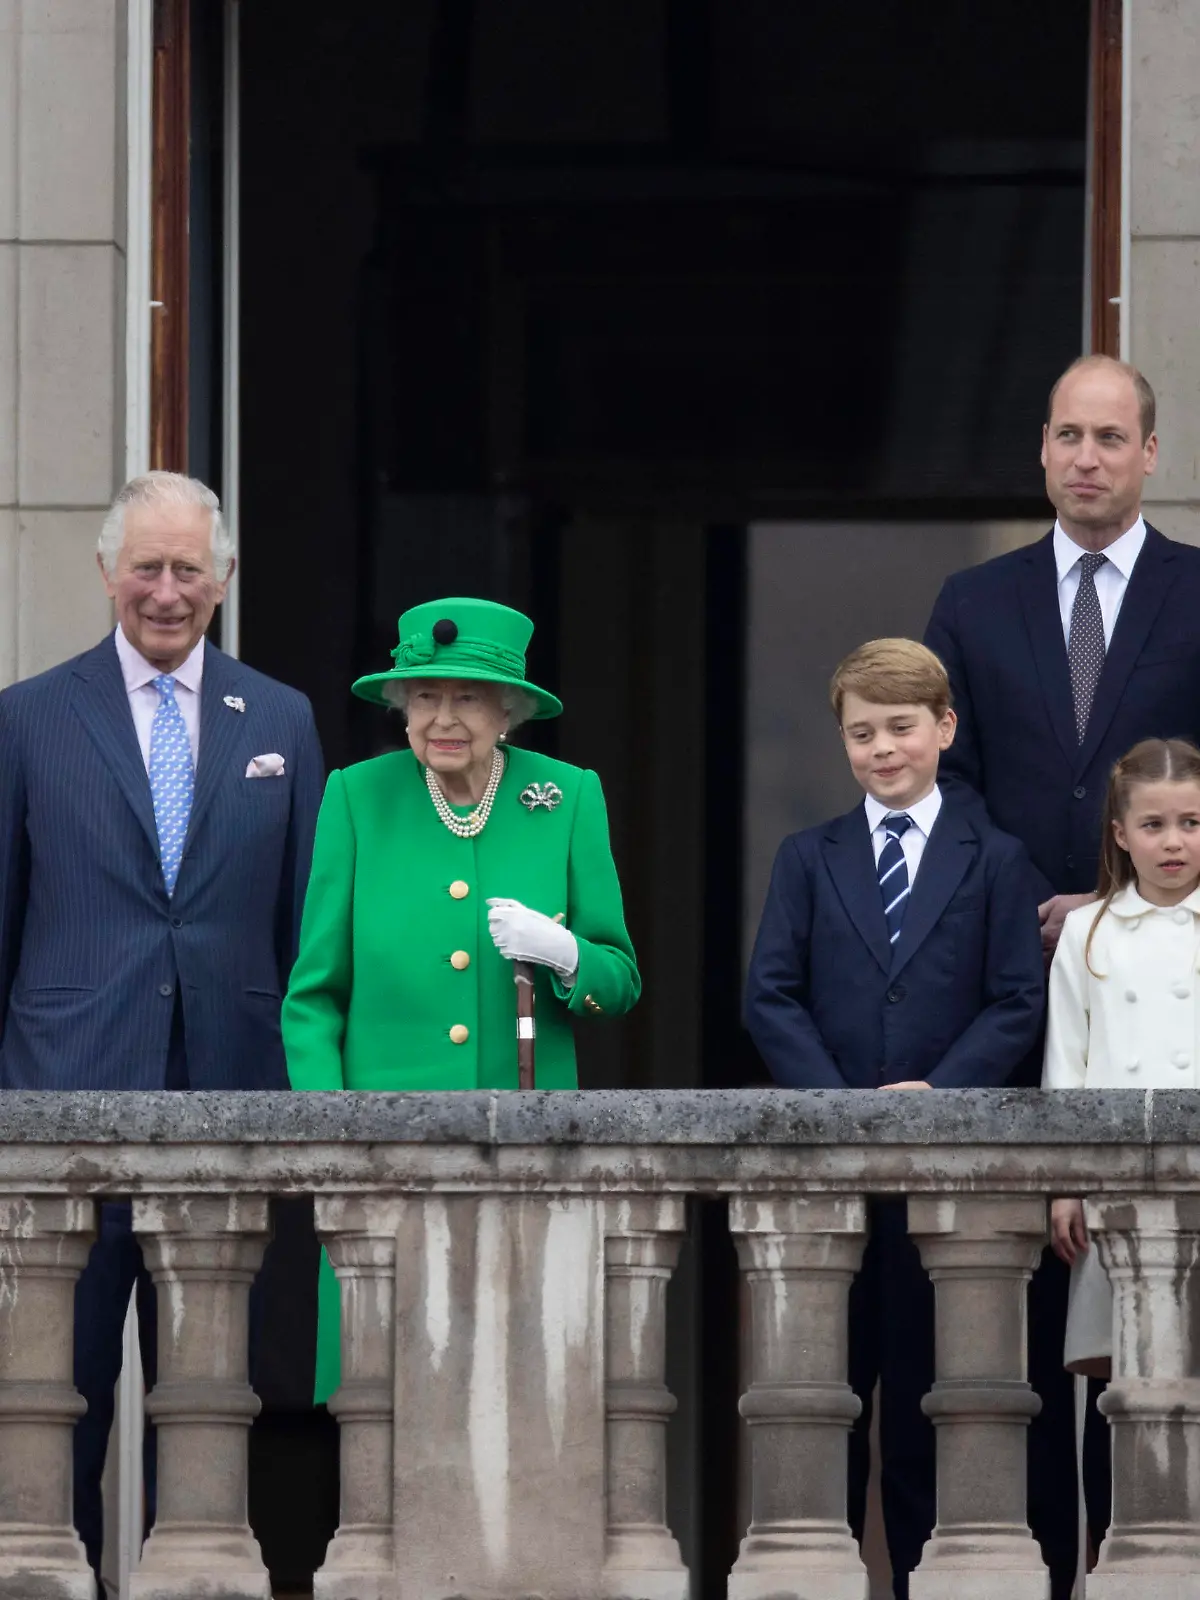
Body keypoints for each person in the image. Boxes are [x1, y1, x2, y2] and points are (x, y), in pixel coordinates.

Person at [0, 471, 324, 1581]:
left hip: (225, 1108)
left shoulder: (281, 718)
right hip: (65, 1110)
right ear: (107, 573)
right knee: (61, 1399)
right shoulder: (29, 716)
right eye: (148, 565)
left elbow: (303, 936)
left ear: (225, 580)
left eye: (190, 569)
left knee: (209, 1401)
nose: (167, 590)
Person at [923, 354, 1200, 1594]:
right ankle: (1032, 1563)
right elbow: (942, 782)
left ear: (1151, 454)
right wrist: (1031, 902)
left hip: (1162, 983)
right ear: (1042, 451)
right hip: (1007, 976)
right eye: (1068, 437)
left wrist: (1134, 890)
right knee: (1020, 1313)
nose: (1088, 457)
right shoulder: (974, 603)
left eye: (1112, 437)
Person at [282, 595, 640, 1401]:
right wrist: (334, 1135)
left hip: (526, 1155)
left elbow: (619, 980)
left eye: (468, 696)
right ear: (402, 706)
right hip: (381, 1162)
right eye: (426, 695)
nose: (444, 717)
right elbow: (313, 997)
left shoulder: (568, 797)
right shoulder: (355, 797)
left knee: (525, 1390)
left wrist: (568, 954)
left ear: (508, 710)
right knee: (386, 1391)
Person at [745, 638, 1044, 1600]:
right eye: (862, 732)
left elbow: (1015, 1000)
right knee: (822, 1409)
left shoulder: (997, 858)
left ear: (944, 729)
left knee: (928, 1411)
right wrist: (838, 1106)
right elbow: (770, 995)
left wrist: (940, 1094)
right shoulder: (808, 855)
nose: (882, 749)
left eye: (901, 728)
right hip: (833, 1182)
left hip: (948, 1184)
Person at [1043, 738, 1200, 1587]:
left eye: (1192, 822)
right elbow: (1068, 1059)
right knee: (1123, 1396)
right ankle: (1119, 1563)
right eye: (1155, 824)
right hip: (1116, 1194)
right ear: (1120, 834)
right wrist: (1067, 1176)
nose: (1175, 841)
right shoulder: (1090, 933)